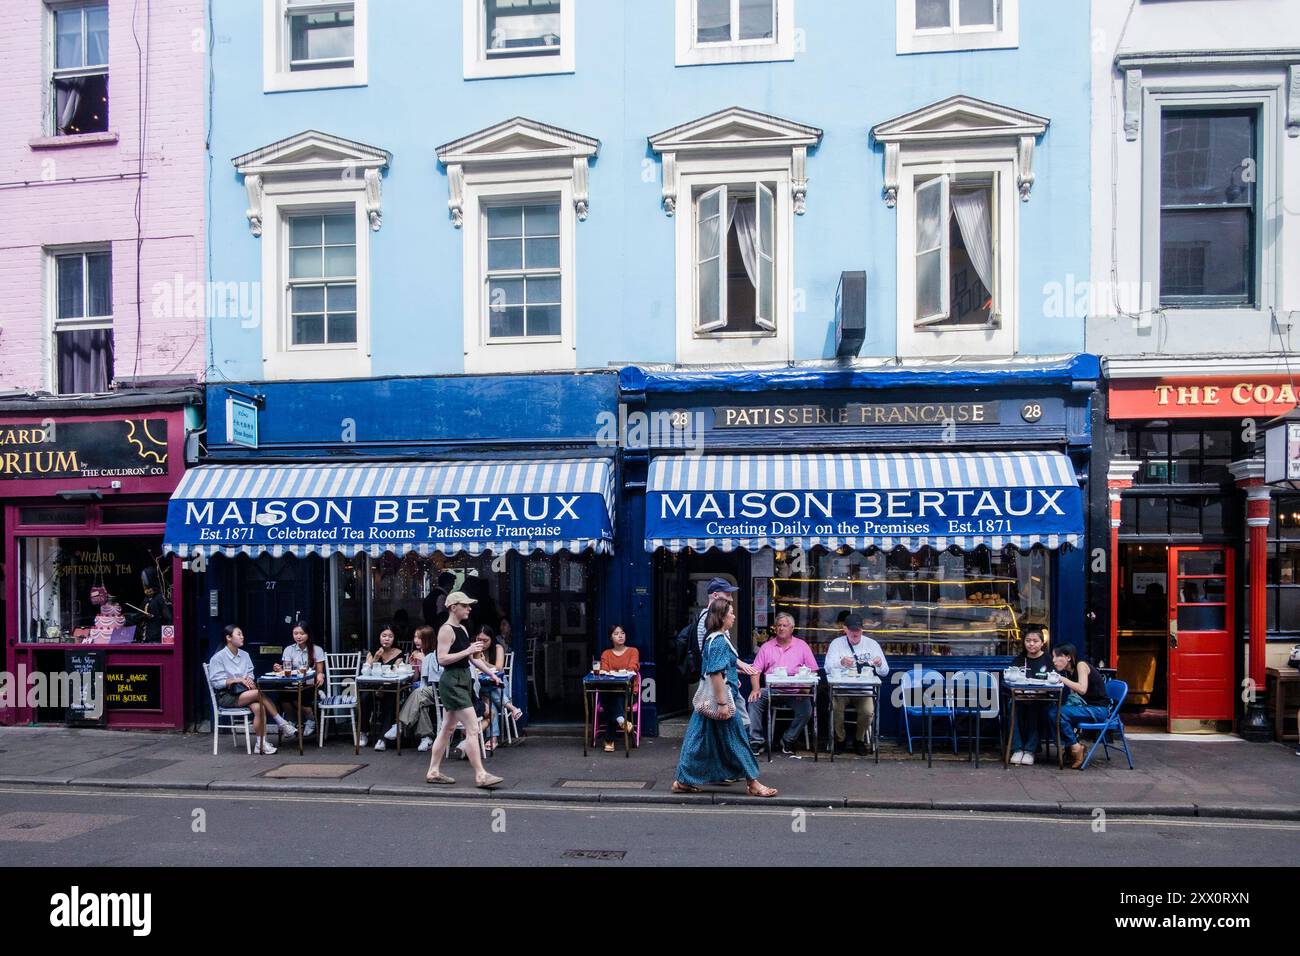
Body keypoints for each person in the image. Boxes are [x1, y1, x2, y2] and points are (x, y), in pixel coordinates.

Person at [672, 598, 777, 798]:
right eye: (730, 613)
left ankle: (683, 781)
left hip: (707, 700)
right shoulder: (719, 640)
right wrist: (722, 703)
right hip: (719, 701)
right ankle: (753, 783)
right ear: (721, 617)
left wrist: (737, 671)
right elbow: (715, 673)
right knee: (738, 740)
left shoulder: (713, 637)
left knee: (696, 741)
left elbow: (722, 666)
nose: (734, 616)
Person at [423, 591, 503, 789]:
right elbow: (442, 659)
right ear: (453, 607)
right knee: (473, 727)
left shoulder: (463, 630)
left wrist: (492, 674)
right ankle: (481, 775)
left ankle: (433, 771)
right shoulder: (446, 630)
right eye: (465, 605)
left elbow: (473, 659)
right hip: (452, 682)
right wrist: (467, 651)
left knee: (447, 729)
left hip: (463, 679)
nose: (469, 608)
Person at [208, 624, 296, 754]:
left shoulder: (245, 655)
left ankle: (260, 745)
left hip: (244, 692)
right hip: (226, 696)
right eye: (239, 634)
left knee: (258, 708)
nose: (242, 637)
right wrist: (236, 680)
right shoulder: (218, 658)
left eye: (242, 634)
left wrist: (248, 679)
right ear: (228, 637)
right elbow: (216, 683)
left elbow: (250, 673)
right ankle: (282, 723)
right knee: (258, 693)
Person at [685, 577, 757, 733]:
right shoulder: (712, 629)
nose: (731, 599)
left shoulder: (714, 626)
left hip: (724, 683)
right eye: (728, 595)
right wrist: (723, 700)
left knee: (722, 728)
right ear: (716, 596)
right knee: (733, 726)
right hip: (720, 687)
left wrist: (734, 670)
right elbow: (713, 662)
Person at [746, 612, 819, 756]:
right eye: (778, 625)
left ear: (792, 628)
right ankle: (756, 741)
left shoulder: (802, 646)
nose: (781, 628)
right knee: (754, 700)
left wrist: (804, 688)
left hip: (795, 691)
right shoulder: (767, 647)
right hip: (773, 690)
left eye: (785, 625)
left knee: (806, 710)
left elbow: (814, 670)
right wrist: (755, 689)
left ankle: (788, 739)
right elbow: (755, 670)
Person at [824, 613, 890, 756]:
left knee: (868, 712)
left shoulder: (872, 644)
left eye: (858, 630)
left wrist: (879, 664)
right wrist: (840, 663)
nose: (855, 633)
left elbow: (885, 672)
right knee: (835, 709)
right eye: (852, 630)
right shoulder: (836, 644)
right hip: (841, 689)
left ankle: (859, 740)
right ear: (845, 629)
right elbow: (827, 668)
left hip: (864, 690)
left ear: (862, 630)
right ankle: (840, 740)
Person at [1047, 643, 1112, 769]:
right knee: (1051, 712)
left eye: (1057, 657)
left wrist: (1060, 679)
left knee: (1056, 713)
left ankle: (1074, 748)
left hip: (1098, 710)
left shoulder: (1081, 665)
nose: (1053, 660)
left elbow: (1082, 689)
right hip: (1086, 708)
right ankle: (1071, 748)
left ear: (1068, 657)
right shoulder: (1068, 671)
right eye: (1053, 657)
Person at [474, 624, 522, 754]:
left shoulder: (498, 647)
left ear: (491, 639)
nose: (482, 643)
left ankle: (493, 739)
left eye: (485, 640)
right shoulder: (473, 649)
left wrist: (483, 662)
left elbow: (499, 668)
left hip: (499, 684)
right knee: (490, 705)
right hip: (482, 687)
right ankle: (512, 708)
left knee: (492, 693)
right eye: (479, 639)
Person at [1008, 626, 1052, 765]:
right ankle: (1017, 748)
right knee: (1012, 706)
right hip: (1020, 697)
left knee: (1036, 708)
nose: (1031, 644)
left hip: (1041, 698)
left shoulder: (1048, 660)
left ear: (1042, 643)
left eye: (1035, 641)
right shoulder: (1019, 660)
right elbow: (1010, 680)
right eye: (1028, 640)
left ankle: (1030, 750)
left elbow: (1054, 680)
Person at [276, 622, 326, 738]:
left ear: (308, 634)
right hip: (293, 683)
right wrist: (280, 669)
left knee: (296, 696)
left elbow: (319, 671)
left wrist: (320, 676)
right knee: (283, 695)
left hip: (310, 683)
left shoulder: (316, 650)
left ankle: (310, 719)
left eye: (302, 634)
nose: (298, 636)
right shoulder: (289, 650)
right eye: (295, 633)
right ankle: (291, 721)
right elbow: (286, 669)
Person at [398, 626, 441, 752]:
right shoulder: (418, 654)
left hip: (438, 690)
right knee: (420, 703)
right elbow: (416, 679)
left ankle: (400, 725)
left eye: (420, 638)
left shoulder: (436, 654)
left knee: (418, 693)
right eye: (415, 637)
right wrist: (413, 666)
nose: (416, 640)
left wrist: (425, 661)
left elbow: (437, 677)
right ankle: (426, 738)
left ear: (428, 639)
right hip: (424, 691)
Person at [598, 625, 640, 752]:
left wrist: (616, 672)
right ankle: (622, 721)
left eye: (622, 633)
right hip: (610, 690)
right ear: (611, 637)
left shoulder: (633, 651)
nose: (620, 636)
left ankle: (609, 740)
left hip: (629, 692)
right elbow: (604, 670)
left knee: (613, 699)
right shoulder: (606, 653)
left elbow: (632, 668)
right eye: (616, 634)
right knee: (609, 694)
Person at [365, 626, 406, 751]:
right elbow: (366, 672)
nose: (387, 639)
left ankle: (382, 739)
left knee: (390, 700)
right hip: (373, 686)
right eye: (384, 635)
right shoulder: (372, 652)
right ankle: (363, 731)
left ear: (394, 638)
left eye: (390, 636)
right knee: (364, 697)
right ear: (379, 637)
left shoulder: (399, 653)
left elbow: (395, 672)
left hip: (390, 686)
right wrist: (376, 659)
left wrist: (383, 687)